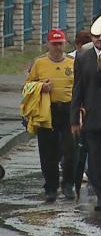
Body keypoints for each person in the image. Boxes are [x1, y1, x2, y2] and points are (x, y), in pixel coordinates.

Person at [70, 23, 101, 212]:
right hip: (93, 117)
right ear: (91, 37)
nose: (100, 39)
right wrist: (74, 119)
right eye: (97, 36)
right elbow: (78, 89)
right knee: (97, 161)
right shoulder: (83, 57)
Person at [26, 29, 75, 202]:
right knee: (48, 151)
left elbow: (80, 86)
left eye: (60, 43)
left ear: (65, 43)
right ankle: (51, 187)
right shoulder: (39, 63)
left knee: (71, 149)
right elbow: (28, 87)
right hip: (47, 110)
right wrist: (41, 87)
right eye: (54, 44)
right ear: (47, 44)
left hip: (69, 109)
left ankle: (68, 184)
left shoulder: (72, 62)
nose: (57, 47)